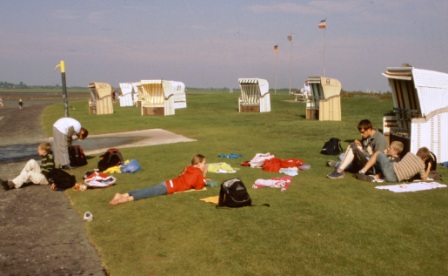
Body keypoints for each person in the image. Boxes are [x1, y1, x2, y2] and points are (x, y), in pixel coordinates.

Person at [109, 154, 207, 205]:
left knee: (148, 189)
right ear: (198, 163)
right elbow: (198, 186)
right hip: (170, 187)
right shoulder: (198, 172)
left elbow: (188, 178)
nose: (205, 165)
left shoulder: (189, 168)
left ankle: (124, 194)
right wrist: (204, 175)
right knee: (149, 192)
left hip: (169, 182)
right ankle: (126, 199)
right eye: (204, 163)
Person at [355, 147, 430, 183]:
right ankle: (374, 177)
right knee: (388, 168)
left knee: (378, 153)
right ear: (425, 158)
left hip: (392, 170)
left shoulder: (409, 154)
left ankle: (362, 171)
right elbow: (424, 178)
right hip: (394, 179)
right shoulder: (422, 166)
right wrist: (429, 167)